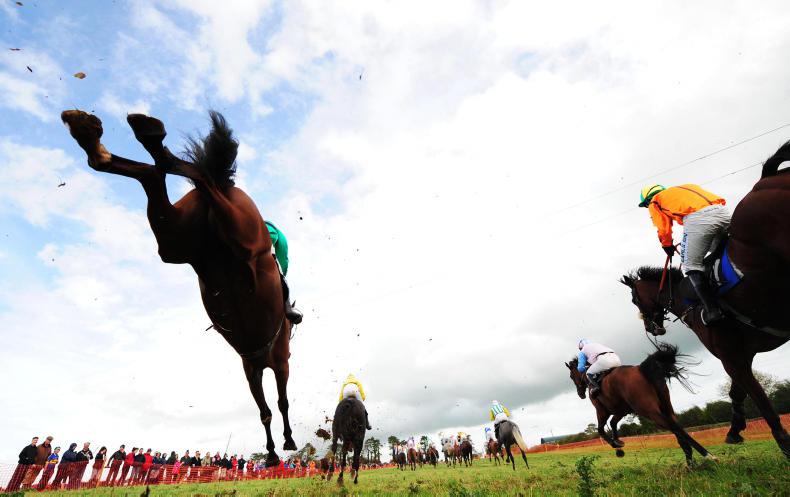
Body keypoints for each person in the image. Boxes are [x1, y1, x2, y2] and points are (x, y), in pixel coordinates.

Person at [639, 184, 730, 324]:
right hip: (722, 212)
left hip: (698, 219)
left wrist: (667, 245)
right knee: (720, 250)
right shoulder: (685, 187)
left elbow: (663, 227)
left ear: (647, 201)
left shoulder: (655, 201)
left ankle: (713, 310)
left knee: (690, 265)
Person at [265, 220, 303, 324]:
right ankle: (288, 309)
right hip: (268, 233)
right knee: (280, 272)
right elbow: (283, 259)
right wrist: (282, 275)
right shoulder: (278, 234)